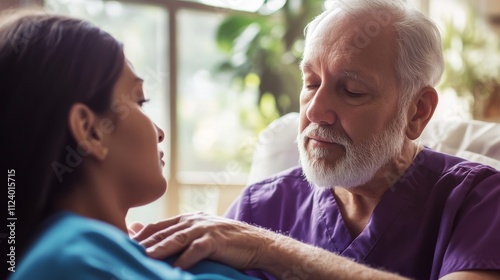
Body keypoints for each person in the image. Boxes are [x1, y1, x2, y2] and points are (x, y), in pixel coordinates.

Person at [132, 0, 500, 279]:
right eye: (310, 83)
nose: (315, 111)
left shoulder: (480, 199)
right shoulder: (261, 207)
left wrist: (269, 249)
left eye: (352, 90)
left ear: (416, 111)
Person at [0, 8, 256, 280]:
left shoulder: (127, 256)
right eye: (139, 101)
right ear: (91, 131)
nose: (159, 133)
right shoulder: (70, 261)